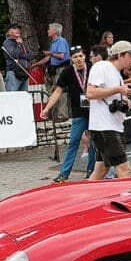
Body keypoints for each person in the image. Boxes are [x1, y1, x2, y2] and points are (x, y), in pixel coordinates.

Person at [41, 46, 96, 183]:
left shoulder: (92, 68)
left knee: (94, 142)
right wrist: (47, 108)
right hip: (78, 112)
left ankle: (91, 171)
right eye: (75, 57)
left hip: (95, 111)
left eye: (81, 56)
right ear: (71, 59)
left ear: (85, 57)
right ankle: (64, 173)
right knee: (73, 142)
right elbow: (58, 91)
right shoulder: (67, 71)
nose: (79, 59)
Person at [86, 40, 131, 180]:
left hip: (110, 126)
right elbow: (90, 93)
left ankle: (85, 198)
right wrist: (119, 89)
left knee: (101, 169)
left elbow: (109, 99)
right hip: (106, 127)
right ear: (120, 55)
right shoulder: (102, 66)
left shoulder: (117, 74)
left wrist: (125, 101)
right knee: (124, 170)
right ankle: (124, 200)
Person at [2, 23, 37, 92]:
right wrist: (19, 44)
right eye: (15, 29)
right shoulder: (7, 42)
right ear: (9, 32)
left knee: (23, 98)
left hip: (25, 73)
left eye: (18, 29)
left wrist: (20, 56)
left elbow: (32, 55)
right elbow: (14, 55)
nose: (18, 30)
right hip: (14, 73)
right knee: (12, 98)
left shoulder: (22, 41)